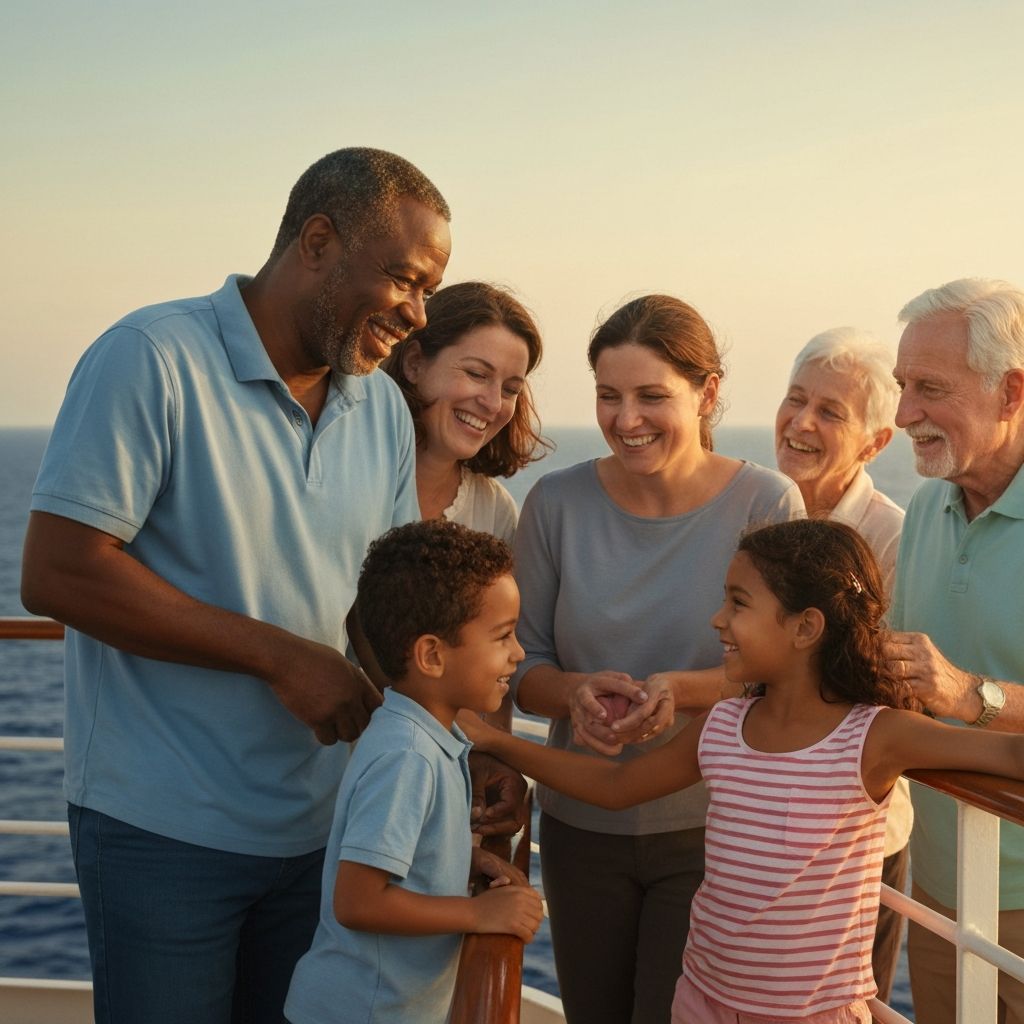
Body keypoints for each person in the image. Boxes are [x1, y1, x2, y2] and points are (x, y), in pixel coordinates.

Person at [19, 147, 453, 1023]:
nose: (416, 314)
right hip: (161, 831)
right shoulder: (150, 357)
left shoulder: (378, 410)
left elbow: (384, 613)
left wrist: (456, 758)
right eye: (405, 281)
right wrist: (280, 657)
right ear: (319, 243)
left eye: (429, 293)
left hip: (325, 828)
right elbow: (57, 571)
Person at [464, 519, 1024, 1023]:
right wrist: (495, 741)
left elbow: (1008, 756)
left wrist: (976, 695)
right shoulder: (724, 724)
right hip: (702, 999)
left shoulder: (876, 735)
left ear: (805, 628)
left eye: (737, 603)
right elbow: (616, 787)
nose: (718, 619)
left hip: (811, 1015)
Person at [510, 294, 804, 1023]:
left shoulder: (766, 502)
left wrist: (682, 689)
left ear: (707, 393)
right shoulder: (554, 504)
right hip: (578, 832)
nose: (625, 419)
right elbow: (521, 667)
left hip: (716, 829)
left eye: (651, 396)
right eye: (608, 396)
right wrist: (574, 691)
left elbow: (789, 674)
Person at [285, 520, 543, 1024]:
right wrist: (477, 913)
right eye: (503, 636)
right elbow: (357, 901)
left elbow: (402, 854)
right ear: (431, 655)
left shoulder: (425, 735)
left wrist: (461, 866)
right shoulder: (408, 756)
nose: (519, 652)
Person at [884, 277, 1024, 1023]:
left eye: (930, 388)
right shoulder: (925, 506)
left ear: (1011, 391)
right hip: (940, 889)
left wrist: (973, 696)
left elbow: (951, 689)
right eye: (902, 386)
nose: (905, 413)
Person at [775, 326, 910, 1001]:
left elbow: (883, 687)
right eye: (795, 399)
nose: (800, 422)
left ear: (875, 442)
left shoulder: (892, 538)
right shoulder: (754, 508)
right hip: (753, 821)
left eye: (830, 411)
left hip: (849, 842)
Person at [383, 280, 548, 547]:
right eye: (477, 374)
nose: (493, 404)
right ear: (414, 363)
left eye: (510, 390)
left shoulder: (495, 512)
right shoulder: (351, 468)